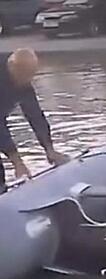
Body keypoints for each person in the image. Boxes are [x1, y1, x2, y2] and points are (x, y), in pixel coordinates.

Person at [0, 48, 69, 194]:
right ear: (12, 67)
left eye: (30, 76)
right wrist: (17, 162)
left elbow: (35, 115)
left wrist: (49, 149)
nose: (27, 80)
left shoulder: (23, 82)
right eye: (23, 75)